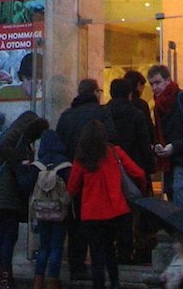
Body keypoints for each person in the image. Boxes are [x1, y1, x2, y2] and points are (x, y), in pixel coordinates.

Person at [66, 121, 146, 289]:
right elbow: (138, 173)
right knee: (110, 250)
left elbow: (72, 188)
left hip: (91, 213)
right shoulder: (115, 152)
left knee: (96, 255)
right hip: (115, 210)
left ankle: (99, 285)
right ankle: (115, 283)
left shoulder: (81, 158)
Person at [0, 110, 48, 289]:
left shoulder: (18, 136)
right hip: (8, 193)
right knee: (9, 235)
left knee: (4, 234)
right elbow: (3, 152)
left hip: (4, 193)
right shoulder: (16, 136)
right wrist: (22, 163)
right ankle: (4, 276)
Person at [99, 79, 153, 263]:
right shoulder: (136, 114)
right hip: (132, 167)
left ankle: (110, 248)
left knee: (111, 207)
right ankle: (126, 250)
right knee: (130, 212)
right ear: (129, 94)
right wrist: (149, 168)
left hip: (108, 168)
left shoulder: (104, 113)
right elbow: (144, 143)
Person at [55, 78, 104, 279]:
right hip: (95, 175)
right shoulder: (100, 113)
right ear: (94, 92)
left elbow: (59, 143)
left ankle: (76, 265)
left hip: (71, 172)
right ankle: (97, 265)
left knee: (75, 222)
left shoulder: (66, 116)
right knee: (96, 223)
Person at [147, 66, 183, 212]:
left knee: (182, 211)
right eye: (151, 84)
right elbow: (160, 134)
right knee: (176, 208)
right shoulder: (158, 106)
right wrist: (158, 147)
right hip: (170, 165)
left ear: (168, 80)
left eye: (157, 82)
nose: (154, 87)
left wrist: (174, 146)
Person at [28, 129, 73, 289]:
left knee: (44, 246)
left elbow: (28, 185)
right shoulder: (65, 164)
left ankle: (38, 282)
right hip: (59, 211)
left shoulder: (38, 165)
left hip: (41, 211)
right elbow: (72, 187)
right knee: (56, 246)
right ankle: (53, 281)